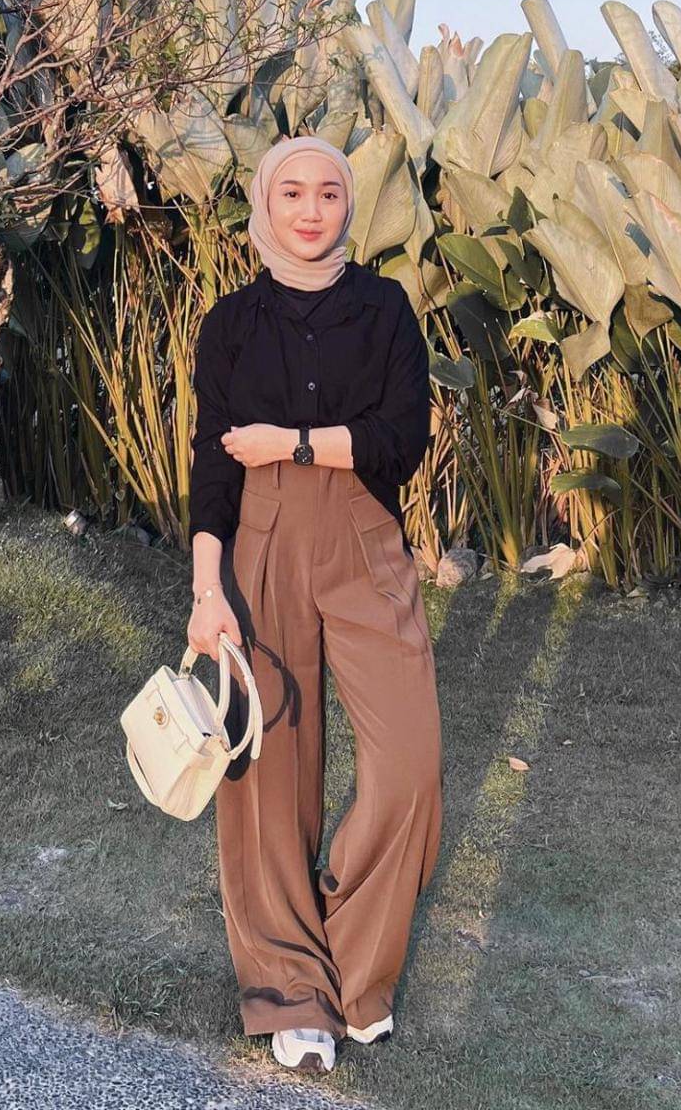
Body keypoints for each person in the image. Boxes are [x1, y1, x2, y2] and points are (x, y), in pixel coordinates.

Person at [186, 135, 443, 1075]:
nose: (310, 210)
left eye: (329, 193)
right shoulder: (231, 324)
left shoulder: (385, 308)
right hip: (258, 544)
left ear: (348, 206)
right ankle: (291, 989)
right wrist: (207, 591)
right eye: (291, 192)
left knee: (410, 765)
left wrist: (292, 442)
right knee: (268, 773)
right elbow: (214, 465)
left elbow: (401, 441)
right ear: (265, 203)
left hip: (364, 539)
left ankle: (357, 970)